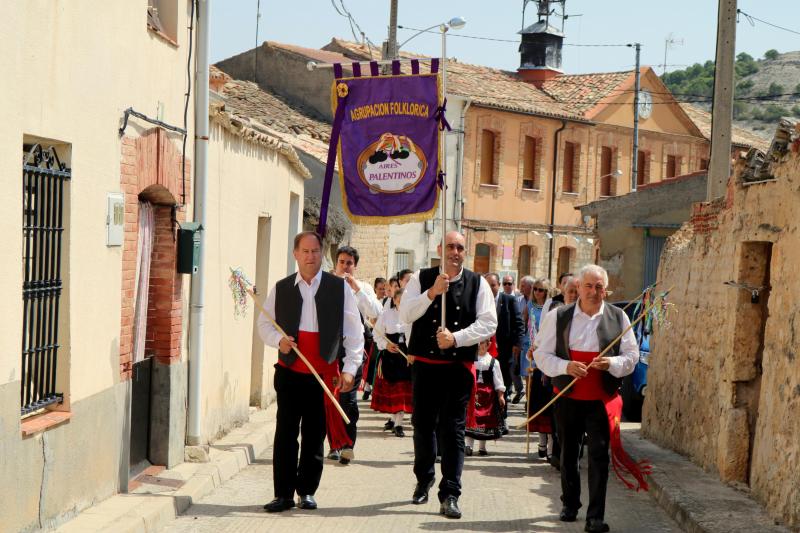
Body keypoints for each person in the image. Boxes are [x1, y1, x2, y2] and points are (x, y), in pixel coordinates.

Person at [258, 231, 364, 513]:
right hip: (290, 372)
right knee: (285, 433)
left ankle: (306, 491)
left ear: (322, 254)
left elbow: (355, 333)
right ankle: (282, 494)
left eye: (315, 251)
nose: (310, 256)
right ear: (295, 254)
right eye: (305, 251)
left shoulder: (339, 288)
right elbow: (264, 325)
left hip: (323, 375)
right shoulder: (281, 288)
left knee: (314, 435)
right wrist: (278, 341)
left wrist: (351, 370)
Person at [533, 264, 639, 533]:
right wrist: (565, 367)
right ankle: (570, 503)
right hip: (568, 396)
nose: (594, 292)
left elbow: (632, 357)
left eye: (599, 287)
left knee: (598, 456)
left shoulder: (619, 318)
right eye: (589, 286)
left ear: (606, 290)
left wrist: (612, 363)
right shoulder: (558, 317)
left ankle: (596, 517)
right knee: (569, 452)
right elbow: (541, 355)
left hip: (601, 398)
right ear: (577, 287)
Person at [400, 231, 497, 520]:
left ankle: (451, 492)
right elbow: (405, 314)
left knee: (453, 430)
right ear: (440, 249)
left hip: (457, 369)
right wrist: (431, 294)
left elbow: (489, 323)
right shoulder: (421, 277)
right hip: (426, 366)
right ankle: (423, 478)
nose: (455, 252)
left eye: (461, 248)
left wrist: (456, 338)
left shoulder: (477, 283)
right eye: (451, 246)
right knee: (422, 425)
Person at [328, 246, 383, 465]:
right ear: (336, 264)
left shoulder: (364, 288)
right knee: (331, 398)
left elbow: (376, 312)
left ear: (355, 266)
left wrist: (357, 290)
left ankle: (348, 445)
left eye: (349, 263)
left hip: (354, 350)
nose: (345, 266)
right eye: (341, 262)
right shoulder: (326, 284)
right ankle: (334, 444)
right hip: (330, 349)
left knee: (349, 399)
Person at [371, 288, 412, 437]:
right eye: (399, 301)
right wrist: (386, 345)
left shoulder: (412, 316)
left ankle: (399, 424)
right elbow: (376, 334)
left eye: (405, 301)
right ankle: (395, 421)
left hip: (406, 358)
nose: (402, 304)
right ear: (394, 300)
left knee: (402, 392)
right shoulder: (386, 315)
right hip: (391, 358)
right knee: (395, 391)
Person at [484, 273, 524, 412]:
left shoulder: (509, 300)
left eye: (493, 285)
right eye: (487, 285)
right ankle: (488, 415)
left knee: (504, 383)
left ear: (499, 285)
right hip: (485, 350)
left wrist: (517, 345)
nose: (490, 288)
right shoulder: (480, 301)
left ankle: (502, 415)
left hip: (505, 350)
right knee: (487, 383)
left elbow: (519, 324)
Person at [465, 338, 506, 456]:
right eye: (478, 343)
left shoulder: (493, 362)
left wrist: (501, 396)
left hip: (488, 396)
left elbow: (499, 381)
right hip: (474, 393)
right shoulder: (471, 359)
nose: (480, 346)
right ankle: (469, 445)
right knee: (471, 417)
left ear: (489, 344)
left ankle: (482, 447)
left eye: (483, 343)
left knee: (485, 420)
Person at [513, 276, 534, 398]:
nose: (520, 287)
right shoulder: (517, 300)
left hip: (534, 343)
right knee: (524, 372)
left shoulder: (536, 303)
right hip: (522, 341)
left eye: (523, 285)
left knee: (532, 374)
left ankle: (529, 400)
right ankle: (525, 395)